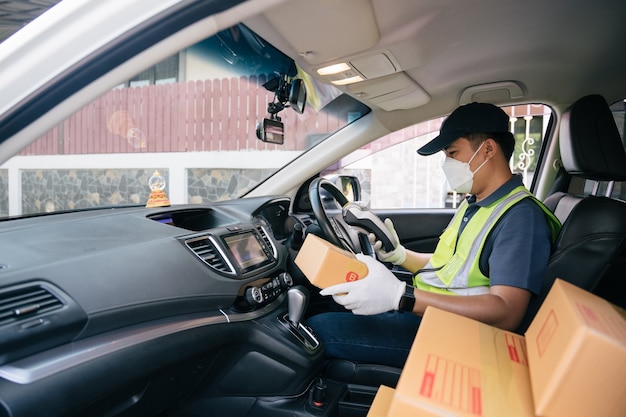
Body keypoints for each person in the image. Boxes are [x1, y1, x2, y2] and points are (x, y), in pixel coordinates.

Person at [307, 102, 561, 368]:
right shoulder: (476, 202)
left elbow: (507, 312)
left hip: (457, 334)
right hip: (431, 313)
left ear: (488, 149)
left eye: (452, 153)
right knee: (330, 303)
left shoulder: (520, 218)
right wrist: (400, 254)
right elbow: (449, 266)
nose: (447, 164)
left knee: (316, 330)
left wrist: (400, 296)